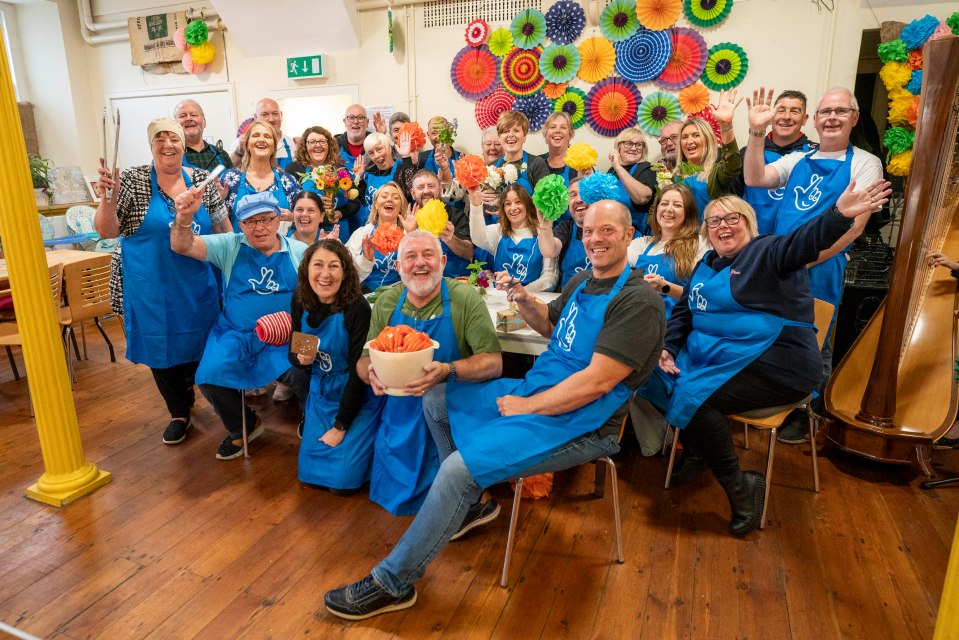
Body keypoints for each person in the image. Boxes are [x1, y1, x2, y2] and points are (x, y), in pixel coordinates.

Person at [324, 200, 664, 620]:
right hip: (538, 390)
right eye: (589, 231)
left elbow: (596, 383)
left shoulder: (639, 302)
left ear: (629, 235)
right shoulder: (581, 281)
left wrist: (526, 405)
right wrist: (522, 299)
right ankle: (470, 505)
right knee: (436, 396)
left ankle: (393, 583)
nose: (594, 239)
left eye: (607, 231)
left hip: (583, 421)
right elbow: (552, 328)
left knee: (456, 471)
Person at [642, 186, 890, 535]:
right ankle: (700, 448)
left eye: (733, 218)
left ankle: (740, 486)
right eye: (714, 221)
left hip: (776, 365)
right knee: (650, 374)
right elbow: (685, 311)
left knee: (695, 400)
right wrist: (668, 347)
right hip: (717, 360)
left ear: (750, 223)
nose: (723, 226)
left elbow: (804, 241)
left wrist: (839, 215)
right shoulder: (706, 264)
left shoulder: (768, 251)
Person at [743, 86, 883, 443]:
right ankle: (775, 399)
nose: (832, 117)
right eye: (826, 112)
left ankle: (807, 412)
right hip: (783, 262)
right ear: (816, 120)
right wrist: (756, 132)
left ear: (853, 118)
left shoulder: (865, 162)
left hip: (822, 264)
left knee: (814, 339)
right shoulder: (798, 160)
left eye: (840, 111)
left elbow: (855, 227)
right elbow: (754, 178)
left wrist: (807, 259)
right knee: (776, 331)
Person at [94, 117, 231, 446]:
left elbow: (222, 227)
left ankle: (222, 407)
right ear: (151, 144)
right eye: (160, 138)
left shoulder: (200, 179)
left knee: (205, 345)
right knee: (160, 346)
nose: (167, 144)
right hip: (150, 283)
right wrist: (106, 199)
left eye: (173, 138)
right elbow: (107, 231)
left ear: (184, 144)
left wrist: (236, 264)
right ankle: (179, 411)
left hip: (198, 283)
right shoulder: (133, 179)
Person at [359, 230, 503, 516]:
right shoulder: (387, 301)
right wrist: (371, 375)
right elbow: (364, 360)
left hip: (450, 410)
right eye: (410, 257)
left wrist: (448, 370)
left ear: (443, 261)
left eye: (428, 255)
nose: (420, 263)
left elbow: (494, 362)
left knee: (449, 500)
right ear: (398, 266)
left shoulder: (464, 298)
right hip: (398, 412)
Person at [170, 191, 309, 460]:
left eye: (267, 219)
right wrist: (184, 217)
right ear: (241, 225)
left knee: (308, 369)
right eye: (251, 222)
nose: (260, 228)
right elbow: (181, 245)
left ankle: (312, 416)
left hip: (289, 333)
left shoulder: (300, 251)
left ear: (278, 218)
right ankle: (242, 426)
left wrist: (301, 332)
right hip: (235, 332)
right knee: (209, 376)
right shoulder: (229, 245)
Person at [290, 239, 383, 493]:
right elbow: (295, 349)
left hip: (356, 395)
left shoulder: (357, 308)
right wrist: (300, 359)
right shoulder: (300, 300)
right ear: (307, 269)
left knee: (342, 484)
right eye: (318, 265)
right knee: (310, 476)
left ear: (345, 272)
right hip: (321, 394)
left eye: (334, 266)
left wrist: (340, 426)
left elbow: (358, 372)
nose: (325, 274)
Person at [730, 90, 814, 233]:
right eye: (780, 110)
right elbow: (732, 200)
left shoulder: (815, 155)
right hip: (754, 241)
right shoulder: (749, 153)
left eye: (795, 111)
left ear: (805, 119)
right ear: (771, 116)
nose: (786, 117)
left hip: (797, 243)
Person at [627, 184, 707, 319]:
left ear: (688, 212)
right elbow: (616, 274)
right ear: (656, 209)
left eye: (677, 205)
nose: (669, 209)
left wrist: (664, 287)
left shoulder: (700, 243)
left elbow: (702, 297)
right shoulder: (642, 244)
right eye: (664, 203)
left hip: (676, 325)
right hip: (640, 320)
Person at [468, 183, 558, 291]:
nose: (513, 208)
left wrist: (522, 291)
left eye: (518, 202)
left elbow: (550, 277)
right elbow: (478, 237)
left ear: (527, 205)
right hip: (502, 300)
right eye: (508, 204)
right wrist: (476, 203)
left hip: (532, 300)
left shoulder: (543, 232)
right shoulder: (498, 231)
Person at [677, 89, 744, 217]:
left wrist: (726, 127)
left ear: (707, 141)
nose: (689, 141)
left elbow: (732, 164)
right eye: (684, 137)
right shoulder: (670, 175)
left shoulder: (715, 173)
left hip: (706, 234)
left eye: (696, 135)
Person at [221, 120, 300, 228]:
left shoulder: (288, 181)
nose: (262, 140)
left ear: (274, 148)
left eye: (267, 136)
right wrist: (219, 202)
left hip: (278, 244)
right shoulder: (230, 179)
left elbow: (302, 218)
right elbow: (218, 224)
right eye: (256, 135)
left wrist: (293, 217)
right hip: (239, 244)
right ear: (247, 145)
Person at [285, 126, 361, 236]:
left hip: (338, 231)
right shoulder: (294, 169)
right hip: (306, 233)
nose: (317, 146)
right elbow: (289, 202)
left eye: (322, 142)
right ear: (305, 147)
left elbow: (355, 201)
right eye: (312, 142)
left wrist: (339, 213)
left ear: (329, 145)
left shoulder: (341, 170)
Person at [346, 181, 417, 291]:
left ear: (400, 206)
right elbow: (346, 276)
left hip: (400, 296)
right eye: (384, 196)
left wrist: (412, 236)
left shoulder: (410, 233)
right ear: (375, 204)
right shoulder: (361, 234)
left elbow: (419, 270)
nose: (389, 199)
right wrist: (366, 259)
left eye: (395, 197)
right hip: (364, 297)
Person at [410, 170, 473, 278]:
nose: (426, 191)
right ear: (413, 193)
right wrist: (409, 233)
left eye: (431, 186)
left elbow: (469, 253)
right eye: (420, 187)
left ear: (439, 189)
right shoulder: (408, 219)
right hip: (423, 281)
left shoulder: (455, 214)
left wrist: (450, 239)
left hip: (455, 281)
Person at [535, 177, 590, 289]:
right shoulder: (566, 228)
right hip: (568, 300)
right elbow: (549, 251)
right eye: (573, 195)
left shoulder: (609, 229)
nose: (579, 200)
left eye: (584, 193)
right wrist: (545, 226)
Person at [353, 131, 414, 223]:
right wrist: (359, 178)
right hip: (371, 225)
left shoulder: (402, 169)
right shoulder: (369, 173)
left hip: (397, 225)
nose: (377, 156)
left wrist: (406, 157)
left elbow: (411, 192)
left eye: (379, 150)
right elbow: (361, 200)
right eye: (371, 153)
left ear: (389, 148)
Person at [608, 127, 657, 235]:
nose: (634, 148)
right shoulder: (611, 172)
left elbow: (642, 197)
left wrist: (617, 166)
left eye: (639, 144)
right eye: (628, 143)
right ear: (619, 146)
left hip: (637, 236)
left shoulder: (646, 168)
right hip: (613, 233)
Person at [229, 98, 296, 169]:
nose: (271, 119)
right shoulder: (241, 142)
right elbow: (228, 170)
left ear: (281, 115)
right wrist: (240, 151)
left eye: (275, 114)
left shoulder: (290, 143)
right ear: (255, 117)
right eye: (265, 115)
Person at [174, 99, 232, 171]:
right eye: (183, 116)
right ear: (175, 125)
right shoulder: (171, 156)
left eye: (194, 115)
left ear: (204, 122)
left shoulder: (222, 154)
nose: (188, 118)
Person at [539, 112, 577, 187]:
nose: (557, 130)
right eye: (553, 127)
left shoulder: (579, 164)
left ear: (570, 135)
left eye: (563, 127)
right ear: (546, 136)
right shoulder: (537, 163)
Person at [418, 116, 458, 187]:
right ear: (428, 135)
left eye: (443, 132)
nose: (439, 137)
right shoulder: (421, 159)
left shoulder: (462, 158)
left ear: (450, 132)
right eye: (434, 133)